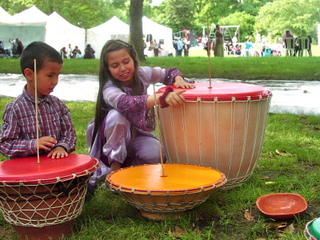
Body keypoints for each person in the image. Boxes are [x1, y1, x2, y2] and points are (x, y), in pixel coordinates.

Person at [86, 39, 195, 192]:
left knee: (158, 155)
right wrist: (161, 98)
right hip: (111, 136)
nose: (123, 68)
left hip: (137, 134)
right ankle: (114, 171)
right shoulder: (109, 88)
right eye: (115, 65)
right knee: (118, 116)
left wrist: (178, 79)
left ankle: (130, 168)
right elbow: (127, 104)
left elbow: (169, 72)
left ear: (134, 60)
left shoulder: (142, 73)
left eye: (126, 62)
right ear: (107, 69)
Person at [0, 41, 76, 159]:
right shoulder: (15, 108)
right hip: (27, 173)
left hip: (56, 169)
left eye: (58, 75)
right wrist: (33, 144)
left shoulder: (58, 105)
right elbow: (5, 144)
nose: (55, 81)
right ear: (29, 74)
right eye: (50, 75)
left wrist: (62, 146)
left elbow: (69, 133)